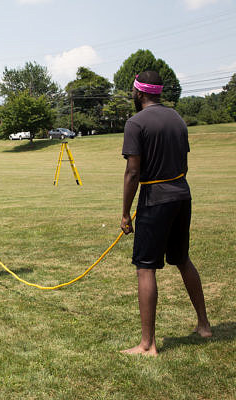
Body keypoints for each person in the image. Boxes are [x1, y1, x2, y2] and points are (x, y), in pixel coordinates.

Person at [120, 70, 212, 356]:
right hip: (182, 195)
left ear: (139, 92)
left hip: (155, 200)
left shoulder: (135, 123)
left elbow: (133, 172)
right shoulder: (177, 119)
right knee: (182, 259)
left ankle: (147, 345)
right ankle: (204, 325)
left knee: (146, 267)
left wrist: (125, 213)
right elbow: (182, 158)